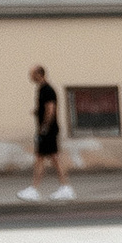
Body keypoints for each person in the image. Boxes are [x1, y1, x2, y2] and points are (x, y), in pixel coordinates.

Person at [18, 60, 74, 201]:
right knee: (48, 158)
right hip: (48, 130)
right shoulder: (42, 89)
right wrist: (37, 111)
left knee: (46, 158)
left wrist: (44, 128)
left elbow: (50, 110)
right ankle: (63, 188)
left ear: (39, 74)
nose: (30, 77)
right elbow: (45, 108)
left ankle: (38, 189)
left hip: (48, 130)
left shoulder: (47, 89)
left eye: (32, 74)